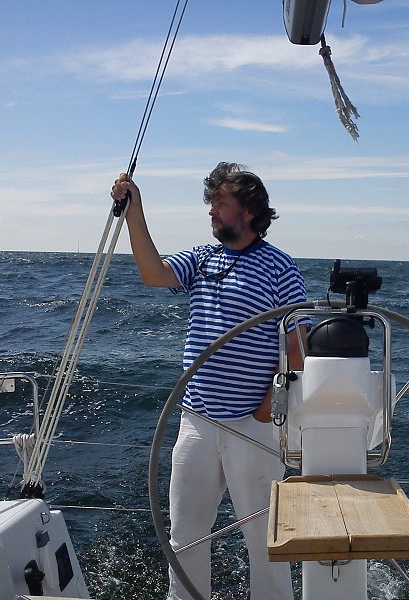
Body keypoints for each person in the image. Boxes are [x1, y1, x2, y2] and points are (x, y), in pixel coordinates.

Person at [111, 162, 307, 600]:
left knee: (265, 541)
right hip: (197, 420)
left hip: (253, 426)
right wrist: (134, 212)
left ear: (249, 211)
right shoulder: (203, 258)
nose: (211, 211)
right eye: (212, 202)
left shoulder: (280, 267)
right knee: (184, 536)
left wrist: (265, 410)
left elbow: (298, 348)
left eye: (220, 202)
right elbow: (154, 273)